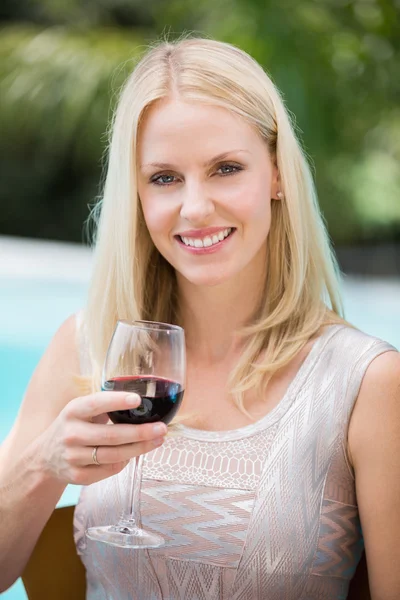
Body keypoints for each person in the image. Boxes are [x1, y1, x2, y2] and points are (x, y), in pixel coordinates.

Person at [0, 36, 399, 600]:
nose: (194, 207)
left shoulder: (367, 383)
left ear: (278, 174)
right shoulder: (86, 346)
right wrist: (43, 466)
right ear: (136, 195)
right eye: (164, 178)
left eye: (226, 168)